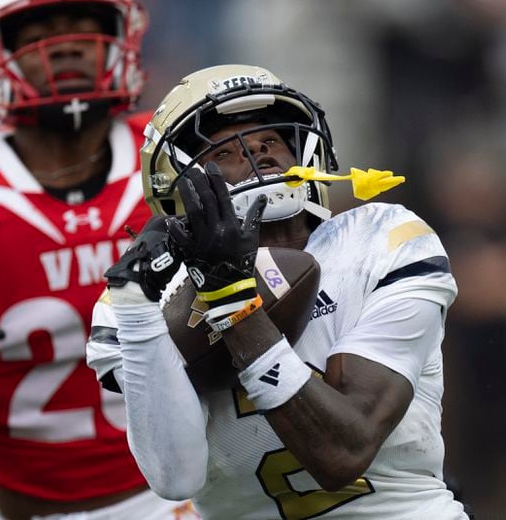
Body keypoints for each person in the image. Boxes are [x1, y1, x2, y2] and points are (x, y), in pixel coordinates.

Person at [87, 64, 472, 519]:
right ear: (180, 185)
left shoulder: (383, 239)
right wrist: (136, 307)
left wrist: (234, 305)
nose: (256, 153)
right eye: (226, 152)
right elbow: (176, 478)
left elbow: (344, 452)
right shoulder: (142, 299)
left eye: (269, 141)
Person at [0, 0, 198, 519]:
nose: (66, 46)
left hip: (192, 498)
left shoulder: (180, 149)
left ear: (119, 41)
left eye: (84, 28)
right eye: (39, 34)